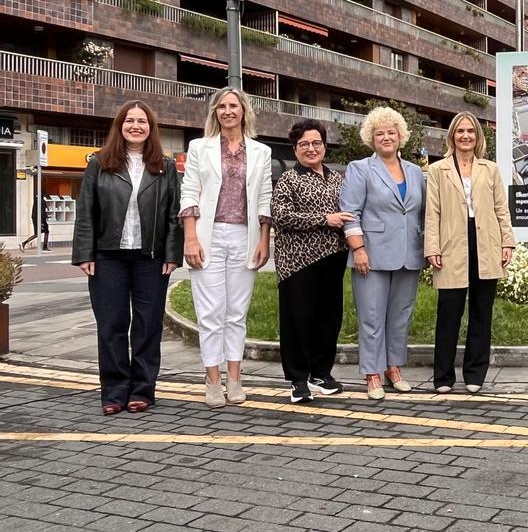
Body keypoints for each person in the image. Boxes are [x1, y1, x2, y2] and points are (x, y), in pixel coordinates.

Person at [71, 101, 182, 415]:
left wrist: (172, 254)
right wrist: (84, 254)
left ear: (151, 127)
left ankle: (142, 390)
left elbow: (174, 214)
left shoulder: (165, 165)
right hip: (107, 257)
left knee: (148, 326)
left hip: (151, 258)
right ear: (120, 125)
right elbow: (86, 213)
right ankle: (115, 390)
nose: (136, 126)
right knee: (112, 324)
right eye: (130, 120)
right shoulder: (99, 162)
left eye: (142, 121)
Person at [180, 87, 273, 409]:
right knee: (210, 314)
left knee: (236, 313)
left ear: (244, 111)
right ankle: (212, 379)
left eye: (233, 105)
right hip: (208, 235)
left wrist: (264, 238)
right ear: (215, 112)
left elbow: (264, 198)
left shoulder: (261, 151)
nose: (228, 111)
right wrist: (191, 237)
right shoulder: (199, 147)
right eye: (222, 106)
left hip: (244, 237)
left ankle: (235, 377)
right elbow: (189, 191)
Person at [425, 111, 515, 394]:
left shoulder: (489, 169)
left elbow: (502, 209)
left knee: (481, 312)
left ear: (478, 137)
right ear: (452, 135)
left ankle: (475, 373)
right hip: (452, 244)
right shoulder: (438, 170)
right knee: (448, 312)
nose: (466, 136)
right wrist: (432, 246)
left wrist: (507, 242)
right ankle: (443, 377)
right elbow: (432, 212)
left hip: (485, 243)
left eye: (471, 131)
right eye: (460, 131)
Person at [341, 107, 426, 400]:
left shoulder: (416, 172)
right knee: (372, 317)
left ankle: (393, 368)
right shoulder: (360, 168)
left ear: (401, 136)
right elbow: (350, 213)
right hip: (372, 255)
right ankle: (372, 373)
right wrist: (359, 249)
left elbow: (423, 214)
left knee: (400, 316)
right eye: (380, 133)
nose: (386, 137)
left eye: (392, 132)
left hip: (408, 254)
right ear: (371, 138)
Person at [271, 119, 351, 404]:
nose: (311, 148)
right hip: (298, 263)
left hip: (333, 260)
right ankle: (297, 379)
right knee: (298, 321)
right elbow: (281, 216)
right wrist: (323, 219)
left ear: (324, 147)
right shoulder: (289, 180)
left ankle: (320, 374)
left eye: (316, 143)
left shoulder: (337, 179)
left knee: (329, 319)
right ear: (295, 149)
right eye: (304, 144)